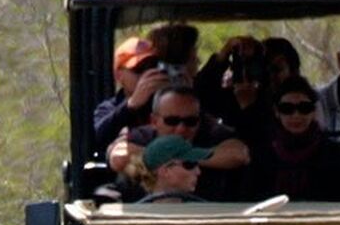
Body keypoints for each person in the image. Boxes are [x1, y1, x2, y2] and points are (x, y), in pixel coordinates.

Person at [107, 85, 250, 200]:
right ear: (154, 121)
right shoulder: (143, 136)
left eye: (190, 121)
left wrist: (183, 156)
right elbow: (118, 156)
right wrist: (162, 154)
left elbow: (239, 154)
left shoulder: (210, 132)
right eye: (172, 121)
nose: (181, 129)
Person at [249, 75, 340, 201]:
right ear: (276, 112)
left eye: (304, 108)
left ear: (314, 111)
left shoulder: (336, 155)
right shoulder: (261, 156)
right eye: (287, 109)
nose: (296, 115)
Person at [196, 35, 272, 147]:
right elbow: (200, 96)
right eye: (241, 67)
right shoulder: (230, 98)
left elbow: (261, 138)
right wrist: (222, 57)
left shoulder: (276, 100)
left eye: (253, 67)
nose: (246, 74)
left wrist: (248, 106)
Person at [92, 35, 159, 144]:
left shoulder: (164, 102)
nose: (146, 75)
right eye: (139, 69)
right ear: (119, 75)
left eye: (151, 67)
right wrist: (131, 105)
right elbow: (99, 136)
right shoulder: (109, 108)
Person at [138, 135, 212, 203]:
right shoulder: (135, 216)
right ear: (165, 171)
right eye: (190, 164)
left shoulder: (200, 212)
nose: (198, 172)